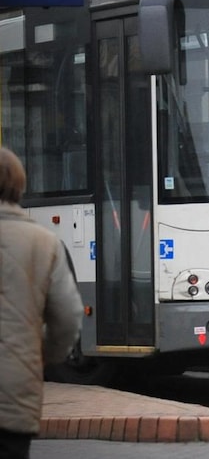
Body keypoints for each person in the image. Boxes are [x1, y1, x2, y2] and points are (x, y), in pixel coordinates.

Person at [0, 148, 83, 459]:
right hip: (14, 396)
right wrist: (40, 356)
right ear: (19, 186)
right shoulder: (44, 241)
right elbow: (69, 317)